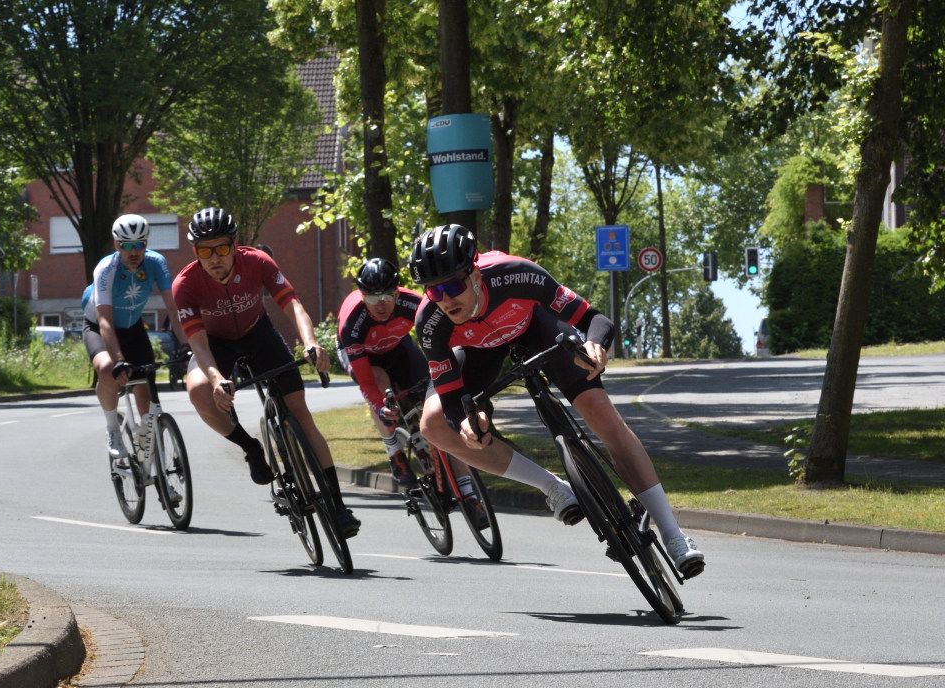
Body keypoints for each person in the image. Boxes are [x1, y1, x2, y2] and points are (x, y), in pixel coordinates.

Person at [408, 223, 705, 578]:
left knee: (601, 414)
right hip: (479, 352)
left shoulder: (516, 274)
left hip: (537, 328)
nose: (445, 299)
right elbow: (450, 395)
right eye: (434, 290)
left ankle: (673, 534)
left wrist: (595, 345)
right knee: (434, 424)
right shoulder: (430, 320)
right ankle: (551, 485)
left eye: (453, 286)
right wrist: (467, 422)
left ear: (474, 275)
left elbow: (595, 319)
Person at [172, 207, 361, 538]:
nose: (214, 258)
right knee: (198, 390)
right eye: (205, 251)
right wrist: (217, 380)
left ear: (234, 244)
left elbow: (293, 306)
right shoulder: (185, 284)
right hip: (216, 344)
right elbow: (198, 343)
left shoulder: (258, 262)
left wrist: (310, 344)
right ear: (195, 252)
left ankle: (338, 504)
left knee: (300, 414)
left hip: (259, 333)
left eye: (222, 248)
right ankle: (251, 447)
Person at [82, 214, 187, 459]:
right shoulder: (106, 269)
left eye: (139, 245)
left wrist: (185, 345)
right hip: (99, 326)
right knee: (107, 369)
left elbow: (173, 309)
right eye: (126, 245)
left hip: (132, 327)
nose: (133, 251)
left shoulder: (156, 263)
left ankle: (149, 450)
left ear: (146, 244)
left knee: (146, 391)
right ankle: (113, 429)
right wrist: (119, 359)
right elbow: (105, 321)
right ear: (116, 245)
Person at [335, 257, 431, 489]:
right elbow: (367, 382)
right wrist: (380, 407)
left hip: (396, 345)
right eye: (372, 298)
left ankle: (428, 445)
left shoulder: (412, 303)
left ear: (397, 293)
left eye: (388, 296)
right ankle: (393, 450)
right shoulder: (352, 324)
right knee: (379, 384)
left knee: (428, 388)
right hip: (362, 354)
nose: (381, 305)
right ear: (361, 296)